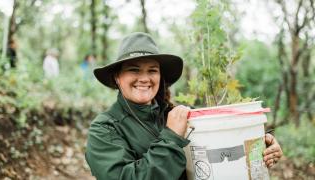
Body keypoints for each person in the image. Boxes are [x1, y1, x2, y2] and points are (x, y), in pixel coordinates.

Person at [85, 32, 283, 180]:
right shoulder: (105, 129)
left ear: (160, 76)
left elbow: (213, 159)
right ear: (117, 78)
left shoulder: (175, 116)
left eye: (152, 70)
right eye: (134, 70)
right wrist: (171, 137)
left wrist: (257, 146)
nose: (144, 78)